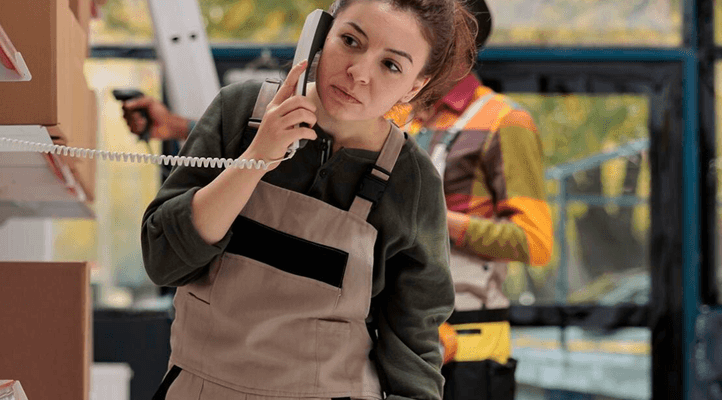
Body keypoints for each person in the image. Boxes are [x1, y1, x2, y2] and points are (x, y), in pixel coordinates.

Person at [140, 0, 478, 398]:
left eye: (391, 65)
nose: (358, 73)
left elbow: (413, 343)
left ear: (416, 85)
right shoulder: (238, 114)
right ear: (319, 34)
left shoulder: (412, 180)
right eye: (350, 40)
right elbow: (163, 261)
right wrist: (256, 158)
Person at [386, 1, 553, 399]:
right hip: (396, 330)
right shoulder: (398, 116)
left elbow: (535, 242)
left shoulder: (505, 121)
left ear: (464, 44)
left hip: (469, 343)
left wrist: (434, 219)